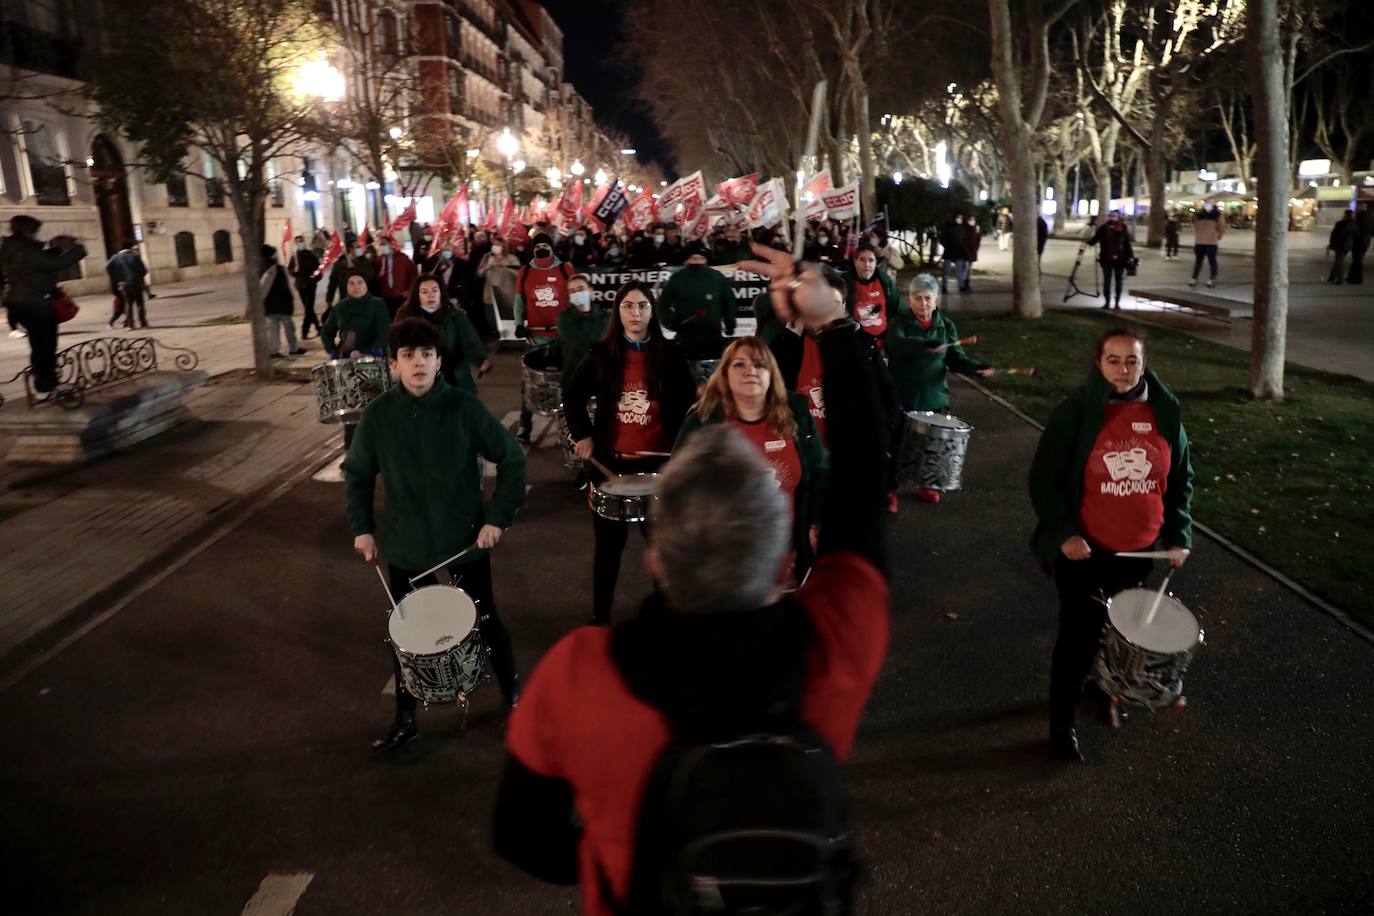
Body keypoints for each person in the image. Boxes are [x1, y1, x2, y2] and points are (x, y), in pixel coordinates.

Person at [493, 243, 891, 915]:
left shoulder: (577, 674)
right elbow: (863, 474)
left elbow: (522, 837)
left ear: (656, 558)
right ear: (779, 554)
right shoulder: (832, 645)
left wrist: (605, 853)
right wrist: (833, 323)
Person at [344, 317, 526, 753]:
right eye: (408, 356)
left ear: (439, 361)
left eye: (426, 354)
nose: (418, 363)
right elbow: (357, 474)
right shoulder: (379, 415)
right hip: (408, 547)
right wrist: (363, 528)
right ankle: (405, 718)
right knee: (407, 636)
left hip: (464, 542)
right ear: (394, 364)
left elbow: (512, 459)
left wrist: (497, 518)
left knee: (485, 620)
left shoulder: (464, 408)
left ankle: (514, 699)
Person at [1028, 327, 1193, 763]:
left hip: (1139, 555)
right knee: (1078, 638)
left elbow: (1179, 482)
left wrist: (1179, 535)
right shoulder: (1077, 412)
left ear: (1144, 364)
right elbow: (1044, 480)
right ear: (1098, 363)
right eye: (1113, 360)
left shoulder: (1164, 411)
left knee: (1118, 636)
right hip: (1085, 553)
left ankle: (1104, 690)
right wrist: (1065, 532)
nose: (1123, 370)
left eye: (1132, 361)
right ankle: (1061, 723)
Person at [563, 281, 696, 626]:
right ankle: (600, 616)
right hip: (611, 464)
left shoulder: (671, 354)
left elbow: (690, 404)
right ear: (617, 312)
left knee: (662, 547)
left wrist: (685, 446)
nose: (635, 313)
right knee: (608, 549)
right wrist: (583, 434)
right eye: (628, 306)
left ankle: (669, 615)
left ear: (653, 311)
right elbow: (573, 395)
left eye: (642, 306)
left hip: (660, 465)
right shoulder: (601, 353)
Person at [676, 336, 827, 581]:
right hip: (723, 560)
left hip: (785, 555)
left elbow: (820, 472)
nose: (751, 371)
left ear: (771, 374)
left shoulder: (797, 414)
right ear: (724, 374)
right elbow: (680, 486)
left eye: (759, 364)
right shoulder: (702, 420)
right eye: (739, 364)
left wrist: (812, 525)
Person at [886, 274, 995, 505]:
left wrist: (976, 368)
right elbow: (895, 344)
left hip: (933, 394)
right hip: (903, 393)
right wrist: (923, 344)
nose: (923, 304)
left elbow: (956, 358)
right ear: (909, 299)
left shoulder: (945, 326)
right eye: (917, 298)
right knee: (896, 444)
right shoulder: (900, 322)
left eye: (928, 298)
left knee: (933, 445)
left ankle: (928, 484)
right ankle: (889, 489)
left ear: (936, 300)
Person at [0, 215, 86, 394]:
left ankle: (43, 384)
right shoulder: (26, 250)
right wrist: (78, 248)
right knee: (46, 345)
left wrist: (55, 249)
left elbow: (39, 263)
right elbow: (56, 264)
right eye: (37, 230)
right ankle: (47, 386)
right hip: (35, 303)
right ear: (28, 231)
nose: (39, 234)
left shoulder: (10, 249)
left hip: (18, 303)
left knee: (38, 344)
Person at [514, 233, 578, 441]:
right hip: (535, 338)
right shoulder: (525, 272)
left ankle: (568, 428)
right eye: (537, 245)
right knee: (530, 385)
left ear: (552, 248)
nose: (541, 248)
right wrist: (518, 325)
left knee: (567, 385)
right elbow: (518, 302)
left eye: (545, 244)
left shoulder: (565, 269)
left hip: (562, 337)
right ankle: (525, 427)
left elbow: (577, 297)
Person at [394, 273, 491, 394]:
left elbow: (470, 341)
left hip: (452, 374)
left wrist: (481, 359)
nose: (431, 295)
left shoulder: (455, 317)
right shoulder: (406, 317)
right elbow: (397, 343)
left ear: (441, 293)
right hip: (420, 374)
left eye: (435, 291)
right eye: (425, 292)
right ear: (417, 295)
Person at [656, 241, 735, 359]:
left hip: (713, 337)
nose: (697, 261)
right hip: (686, 338)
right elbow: (663, 303)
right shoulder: (677, 278)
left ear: (706, 259)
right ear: (687, 260)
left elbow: (729, 301)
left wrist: (730, 322)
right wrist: (670, 322)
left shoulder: (717, 277)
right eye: (694, 258)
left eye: (701, 258)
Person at [321, 269, 390, 360]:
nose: (356, 287)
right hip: (345, 357)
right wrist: (331, 350)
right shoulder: (339, 307)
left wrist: (379, 347)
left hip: (372, 356)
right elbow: (326, 331)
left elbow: (384, 331)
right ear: (346, 286)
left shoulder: (377, 305)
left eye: (360, 282)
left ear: (366, 284)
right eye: (351, 283)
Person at [848, 246, 899, 348]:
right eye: (862, 260)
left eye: (871, 260)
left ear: (876, 262)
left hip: (883, 344)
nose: (867, 264)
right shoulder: (846, 283)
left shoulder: (886, 282)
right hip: (856, 345)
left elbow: (895, 309)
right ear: (855, 261)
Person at [260, 245, 305, 358]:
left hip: (268, 305)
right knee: (289, 327)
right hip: (282, 304)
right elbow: (284, 287)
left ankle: (273, 351)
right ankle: (293, 348)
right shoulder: (277, 269)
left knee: (272, 329)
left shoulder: (260, 269)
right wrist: (290, 300)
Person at [1089, 210, 1135, 310]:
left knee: (1119, 281)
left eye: (1114, 216)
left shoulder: (1123, 228)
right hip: (1106, 259)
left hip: (1120, 260)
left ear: (1118, 217)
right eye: (1110, 216)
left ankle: (1117, 303)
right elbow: (1095, 239)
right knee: (1106, 281)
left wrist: (1131, 256)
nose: (1112, 218)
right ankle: (1107, 302)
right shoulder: (1103, 228)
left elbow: (1127, 244)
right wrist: (1089, 240)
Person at [477, 237, 520, 336]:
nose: (495, 247)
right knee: (490, 318)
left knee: (507, 319)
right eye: (494, 244)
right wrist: (488, 267)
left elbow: (518, 273)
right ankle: (499, 336)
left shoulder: (512, 258)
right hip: (490, 294)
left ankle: (509, 338)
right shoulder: (487, 258)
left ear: (504, 247)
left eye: (498, 245)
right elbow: (479, 273)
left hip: (506, 294)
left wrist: (506, 265)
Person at [109, 241, 152, 330]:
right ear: (130, 248)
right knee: (140, 304)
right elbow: (144, 270)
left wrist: (117, 279)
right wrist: (139, 276)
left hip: (124, 284)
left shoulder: (115, 257)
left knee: (128, 304)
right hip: (136, 282)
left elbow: (108, 267)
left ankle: (130, 325)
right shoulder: (135, 256)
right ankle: (143, 323)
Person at [289, 234, 322, 340]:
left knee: (308, 308)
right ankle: (318, 328)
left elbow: (318, 269)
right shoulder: (294, 257)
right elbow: (290, 270)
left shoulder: (310, 255)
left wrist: (315, 279)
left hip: (310, 285)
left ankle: (305, 331)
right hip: (300, 286)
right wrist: (294, 271)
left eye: (301, 241)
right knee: (309, 308)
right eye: (298, 241)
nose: (300, 243)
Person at [375, 235, 417, 318]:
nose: (382, 246)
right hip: (385, 297)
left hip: (401, 296)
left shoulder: (402, 258)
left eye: (384, 244)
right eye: (380, 245)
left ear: (390, 245)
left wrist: (409, 290)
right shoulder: (378, 260)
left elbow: (413, 274)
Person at [1189, 200, 1225, 288]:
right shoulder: (1199, 214)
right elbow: (1196, 226)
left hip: (1211, 242)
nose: (1207, 205)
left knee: (1211, 261)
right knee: (1199, 261)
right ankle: (1195, 277)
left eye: (1209, 203)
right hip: (1200, 241)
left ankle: (1212, 277)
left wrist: (1219, 235)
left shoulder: (1217, 215)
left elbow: (1222, 227)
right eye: (1206, 203)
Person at [939, 213, 967, 294]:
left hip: (958, 253)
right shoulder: (948, 227)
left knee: (959, 272)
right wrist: (947, 246)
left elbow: (964, 239)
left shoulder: (962, 227)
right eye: (959, 217)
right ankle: (944, 287)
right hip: (949, 252)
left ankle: (961, 286)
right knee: (946, 272)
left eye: (961, 218)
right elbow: (942, 239)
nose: (960, 219)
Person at [1327, 210, 1356, 285]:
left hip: (1339, 244)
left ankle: (1340, 279)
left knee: (1339, 262)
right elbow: (1357, 235)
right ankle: (1332, 277)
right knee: (1338, 261)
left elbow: (1334, 234)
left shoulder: (1340, 223)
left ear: (1345, 215)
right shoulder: (1354, 224)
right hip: (1348, 245)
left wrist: (1331, 243)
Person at [1348, 202, 1372, 285]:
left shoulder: (1359, 217)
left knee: (1357, 260)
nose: (1357, 208)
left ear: (1361, 207)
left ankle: (1357, 279)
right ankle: (1351, 277)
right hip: (1366, 241)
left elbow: (1356, 229)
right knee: (1357, 259)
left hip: (1358, 242)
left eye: (1358, 207)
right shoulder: (1370, 217)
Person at [961, 213, 981, 293]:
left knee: (968, 269)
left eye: (973, 220)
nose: (972, 221)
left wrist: (976, 249)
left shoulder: (975, 228)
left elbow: (978, 240)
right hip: (965, 252)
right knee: (965, 269)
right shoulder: (964, 228)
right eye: (970, 220)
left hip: (972, 252)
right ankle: (964, 285)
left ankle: (966, 284)